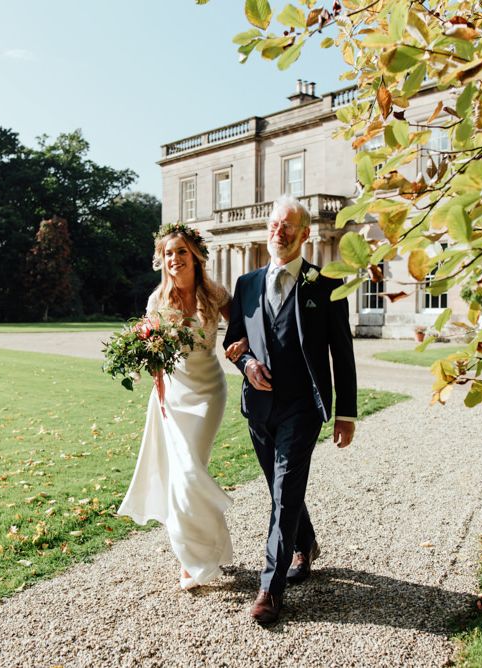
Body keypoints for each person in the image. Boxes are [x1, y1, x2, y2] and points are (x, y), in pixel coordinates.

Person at [224, 195, 357, 624]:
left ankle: (270, 589)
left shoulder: (326, 283)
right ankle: (307, 543)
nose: (277, 232)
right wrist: (246, 364)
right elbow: (232, 343)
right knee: (280, 490)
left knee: (283, 494)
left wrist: (346, 413)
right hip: (258, 408)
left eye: (287, 226)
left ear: (304, 234)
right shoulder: (246, 285)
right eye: (273, 225)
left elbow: (343, 353)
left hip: (303, 408)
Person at [118, 223, 247, 591]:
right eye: (168, 253)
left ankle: (203, 551)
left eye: (181, 252)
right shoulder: (157, 301)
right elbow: (151, 349)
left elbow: (241, 326)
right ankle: (193, 558)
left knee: (192, 473)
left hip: (209, 392)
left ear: (195, 255)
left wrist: (241, 345)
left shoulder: (215, 293)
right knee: (182, 477)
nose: (174, 259)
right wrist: (149, 367)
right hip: (172, 394)